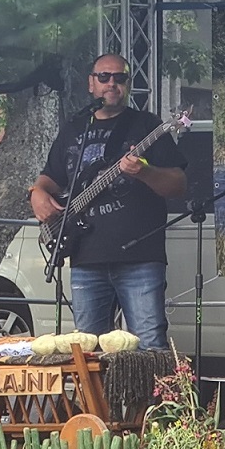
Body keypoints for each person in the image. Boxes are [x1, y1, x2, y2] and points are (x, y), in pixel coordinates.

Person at [28, 53, 188, 350]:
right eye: (104, 77)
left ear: (128, 84)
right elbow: (49, 178)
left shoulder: (147, 126)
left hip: (139, 258)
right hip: (85, 257)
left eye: (120, 77)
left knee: (149, 346)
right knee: (87, 350)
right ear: (91, 83)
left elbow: (178, 185)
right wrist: (36, 193)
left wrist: (144, 172)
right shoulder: (74, 128)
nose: (111, 83)